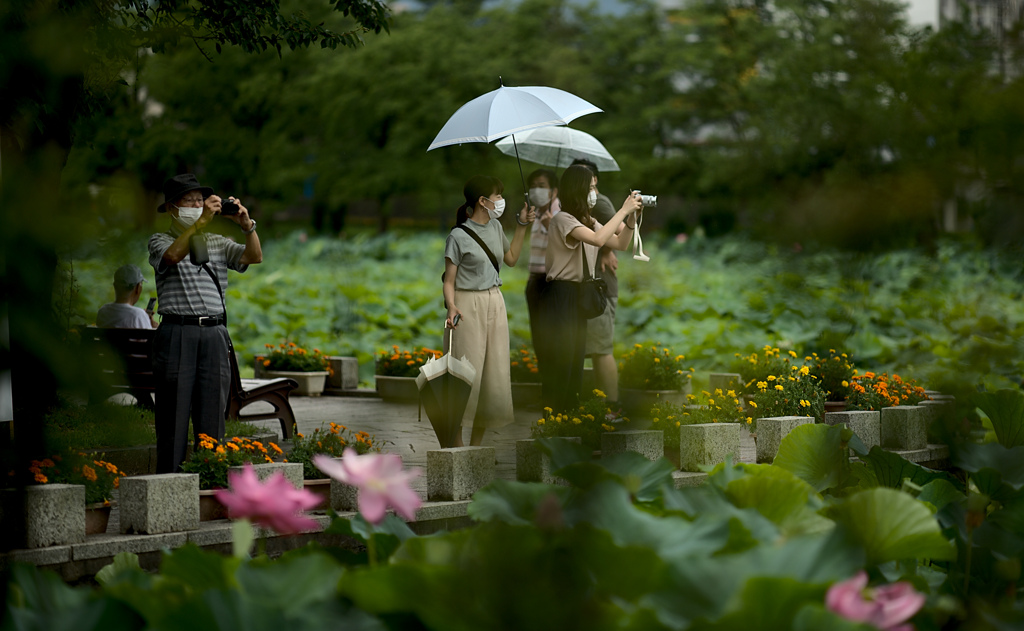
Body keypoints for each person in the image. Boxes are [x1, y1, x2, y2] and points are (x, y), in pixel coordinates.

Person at [148, 173, 263, 473]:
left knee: (213, 417)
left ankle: (210, 483)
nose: (198, 206)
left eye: (201, 201)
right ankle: (170, 486)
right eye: (191, 201)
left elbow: (254, 256)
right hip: (177, 332)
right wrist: (200, 224)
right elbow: (172, 256)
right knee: (172, 418)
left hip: (214, 333)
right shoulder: (160, 240)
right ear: (173, 208)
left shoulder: (217, 242)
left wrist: (246, 225)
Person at [535, 164, 641, 413]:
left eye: (595, 187)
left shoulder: (588, 220)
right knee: (563, 363)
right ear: (578, 190)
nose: (594, 192)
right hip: (561, 294)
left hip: (578, 295)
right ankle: (554, 421)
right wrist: (623, 209)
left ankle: (569, 422)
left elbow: (620, 243)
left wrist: (632, 218)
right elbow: (597, 239)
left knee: (575, 363)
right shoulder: (563, 220)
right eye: (591, 188)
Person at [443, 175, 535, 446]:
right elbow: (449, 281)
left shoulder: (495, 228)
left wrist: (521, 226)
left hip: (495, 301)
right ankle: (457, 446)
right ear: (482, 201)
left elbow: (511, 259)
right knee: (465, 372)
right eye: (497, 196)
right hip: (466, 303)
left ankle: (476, 447)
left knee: (493, 372)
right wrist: (451, 307)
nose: (500, 201)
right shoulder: (457, 236)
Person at [570, 158, 622, 409]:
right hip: (586, 287)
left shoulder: (599, 203)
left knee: (601, 349)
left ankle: (612, 405)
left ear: (595, 180)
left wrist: (604, 251)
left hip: (600, 287)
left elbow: (618, 233)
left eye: (590, 182)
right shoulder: (574, 207)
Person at [524, 168, 559, 351]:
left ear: (554, 191)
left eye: (542, 186)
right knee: (538, 339)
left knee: (551, 339)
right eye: (533, 186)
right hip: (534, 279)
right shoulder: (535, 213)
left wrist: (552, 225)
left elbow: (567, 247)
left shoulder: (560, 213)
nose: (536, 190)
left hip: (551, 281)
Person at [96, 264, 157, 329]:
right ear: (138, 288)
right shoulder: (138, 315)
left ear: (115, 286)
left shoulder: (103, 312)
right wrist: (154, 327)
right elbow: (149, 338)